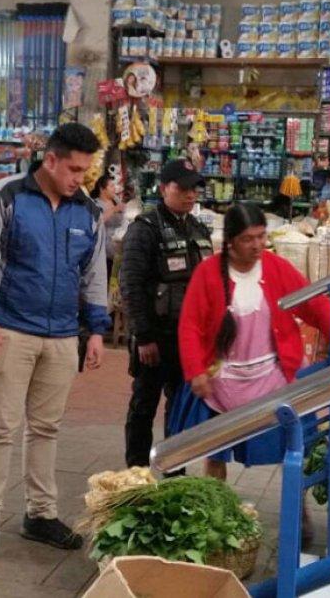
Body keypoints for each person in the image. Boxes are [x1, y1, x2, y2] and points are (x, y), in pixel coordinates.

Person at [0, 122, 111, 556]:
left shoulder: (87, 211)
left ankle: (40, 515)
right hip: (10, 327)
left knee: (46, 428)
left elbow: (94, 273)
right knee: (0, 427)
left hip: (63, 335)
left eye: (85, 172)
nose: (79, 180)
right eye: (72, 170)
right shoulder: (6, 196)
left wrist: (97, 330)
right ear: (49, 160)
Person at [172, 202, 330, 481]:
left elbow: (312, 302)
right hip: (222, 379)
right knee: (215, 450)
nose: (257, 245)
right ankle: (216, 504)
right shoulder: (207, 273)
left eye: (261, 236)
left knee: (293, 445)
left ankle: (298, 511)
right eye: (248, 239)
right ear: (231, 241)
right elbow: (190, 326)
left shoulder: (276, 267)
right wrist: (195, 370)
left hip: (272, 376)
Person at [119, 159, 212, 471]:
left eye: (194, 188)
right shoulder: (144, 229)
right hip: (154, 338)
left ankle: (175, 470)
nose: (190, 194)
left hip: (187, 339)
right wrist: (143, 336)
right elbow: (130, 285)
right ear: (163, 189)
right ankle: (136, 473)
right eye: (182, 188)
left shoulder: (198, 229)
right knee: (144, 405)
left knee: (180, 407)